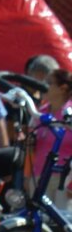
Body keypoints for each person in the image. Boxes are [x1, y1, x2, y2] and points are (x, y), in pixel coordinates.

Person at [31, 69, 72, 208]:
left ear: (63, 88)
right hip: (39, 176)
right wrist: (27, 176)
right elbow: (30, 147)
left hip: (65, 178)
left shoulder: (70, 113)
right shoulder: (39, 112)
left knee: (63, 223)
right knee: (38, 222)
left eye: (49, 83)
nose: (43, 86)